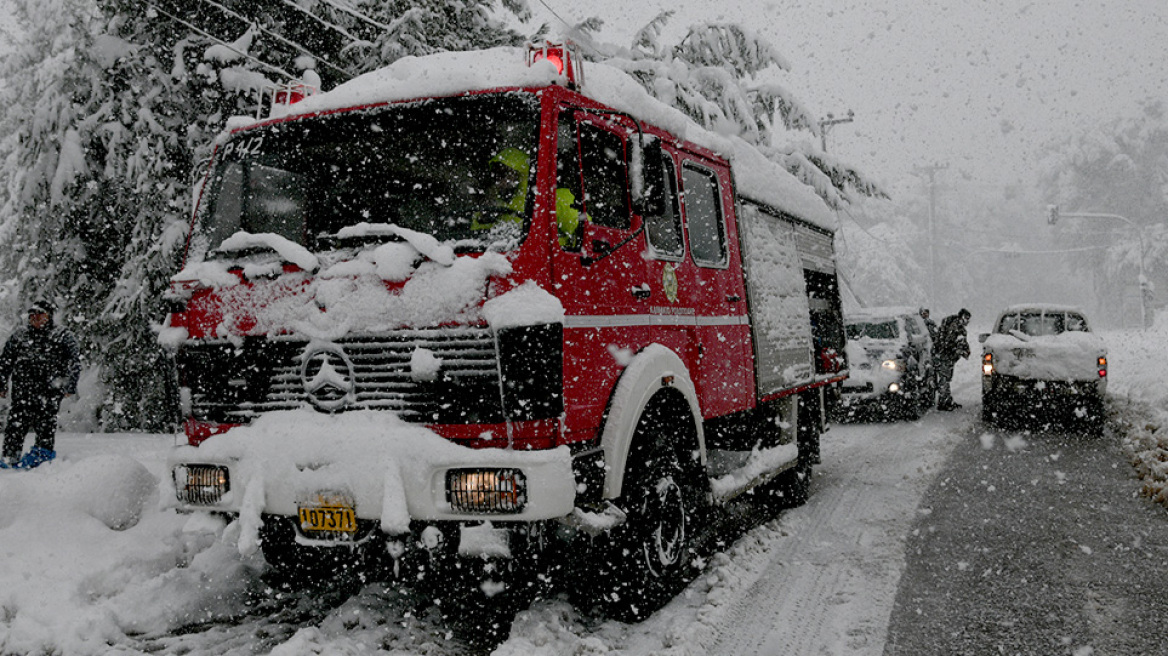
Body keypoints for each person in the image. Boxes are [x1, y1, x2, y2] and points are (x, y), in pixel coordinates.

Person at [0, 301, 81, 469]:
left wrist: (69, 386)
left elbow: (74, 363)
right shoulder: (19, 336)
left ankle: (42, 456)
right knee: (15, 425)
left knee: (46, 424)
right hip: (22, 391)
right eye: (32, 316)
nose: (35, 319)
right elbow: (5, 362)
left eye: (40, 315)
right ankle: (9, 457)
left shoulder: (62, 335)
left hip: (49, 392)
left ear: (49, 316)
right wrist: (1, 384)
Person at [934, 308, 971, 411]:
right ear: (962, 317)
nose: (968, 321)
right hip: (944, 355)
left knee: (945, 377)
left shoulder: (956, 326)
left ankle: (946, 400)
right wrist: (958, 349)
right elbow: (948, 343)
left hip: (946, 355)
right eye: (966, 318)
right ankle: (944, 402)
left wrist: (964, 350)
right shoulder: (955, 327)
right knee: (944, 378)